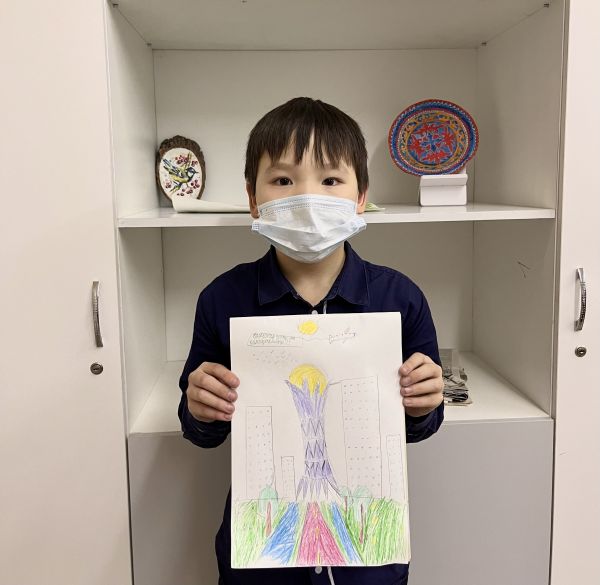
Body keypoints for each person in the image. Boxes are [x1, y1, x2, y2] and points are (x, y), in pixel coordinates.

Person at [178, 97, 444, 585]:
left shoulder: (400, 299)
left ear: (361, 196)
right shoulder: (222, 299)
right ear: (253, 198)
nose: (306, 196)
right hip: (260, 561)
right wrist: (200, 406)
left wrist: (424, 402)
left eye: (330, 180)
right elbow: (201, 431)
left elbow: (417, 428)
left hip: (370, 560)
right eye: (283, 180)